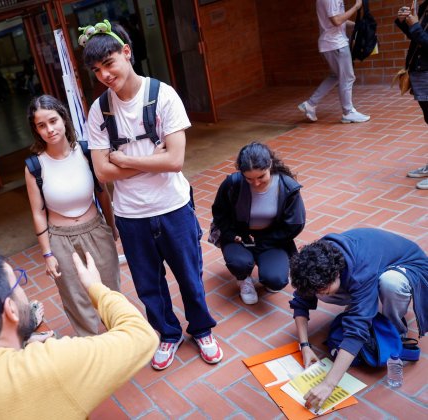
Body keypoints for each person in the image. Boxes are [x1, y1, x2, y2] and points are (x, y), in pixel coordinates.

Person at [81, 19, 222, 370]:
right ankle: (168, 334)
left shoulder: (163, 95)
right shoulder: (99, 110)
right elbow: (101, 171)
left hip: (173, 206)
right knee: (148, 284)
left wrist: (125, 159)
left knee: (189, 274)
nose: (105, 75)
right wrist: (152, 158)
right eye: (97, 70)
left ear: (126, 53)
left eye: (109, 63)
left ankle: (202, 329)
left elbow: (175, 160)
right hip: (130, 214)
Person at [0, 250, 158, 419]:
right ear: (10, 309)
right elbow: (141, 335)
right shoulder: (47, 365)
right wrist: (96, 288)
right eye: (17, 282)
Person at [289, 228, 427, 412]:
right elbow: (301, 301)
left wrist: (328, 384)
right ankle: (363, 302)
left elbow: (356, 332)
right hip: (369, 265)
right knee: (324, 293)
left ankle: (392, 331)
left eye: (323, 287)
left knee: (390, 283)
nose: (318, 294)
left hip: (411, 264)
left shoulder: (361, 271)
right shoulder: (315, 259)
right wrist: (304, 346)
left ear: (337, 272)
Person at [24, 94, 121, 336]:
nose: (49, 129)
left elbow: (103, 195)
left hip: (95, 230)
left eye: (53, 121)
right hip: (60, 239)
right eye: (41, 125)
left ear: (64, 119)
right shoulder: (35, 166)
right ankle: (92, 350)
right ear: (36, 130)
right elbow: (38, 212)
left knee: (110, 292)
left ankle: (118, 343)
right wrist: (47, 253)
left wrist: (112, 227)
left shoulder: (87, 152)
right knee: (76, 299)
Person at [211, 142, 306, 305]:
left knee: (276, 280)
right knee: (239, 263)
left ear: (270, 165)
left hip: (272, 237)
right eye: (249, 179)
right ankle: (243, 278)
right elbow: (219, 212)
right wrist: (231, 235)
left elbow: (295, 224)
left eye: (261, 177)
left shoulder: (286, 186)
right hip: (239, 234)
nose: (255, 183)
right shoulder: (233, 183)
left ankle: (266, 269)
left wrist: (266, 240)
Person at [298, 0, 371, 124]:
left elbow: (336, 19)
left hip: (331, 43)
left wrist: (356, 25)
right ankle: (348, 112)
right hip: (336, 44)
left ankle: (310, 104)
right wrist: (356, 7)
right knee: (347, 77)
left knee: (335, 76)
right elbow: (336, 21)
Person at [396, 1, 428, 126]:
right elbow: (418, 38)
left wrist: (415, 26)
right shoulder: (423, 6)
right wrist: (404, 22)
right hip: (419, 72)